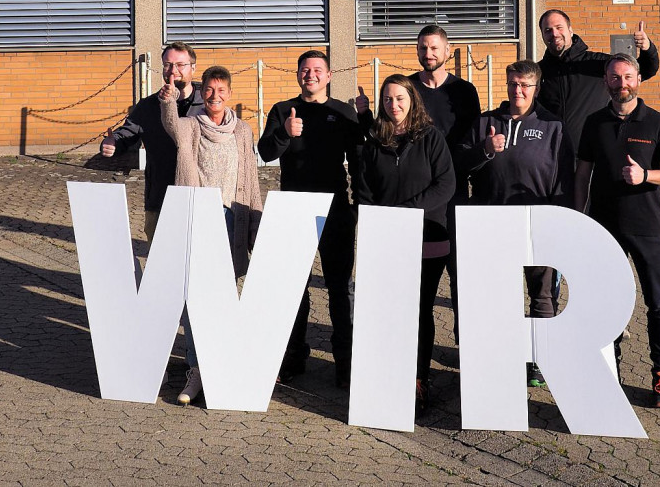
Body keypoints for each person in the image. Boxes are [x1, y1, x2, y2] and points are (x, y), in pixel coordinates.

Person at [356, 25, 481, 345]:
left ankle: (465, 347)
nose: (429, 54)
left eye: (435, 48)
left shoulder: (464, 91)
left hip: (450, 194)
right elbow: (384, 139)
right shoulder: (406, 87)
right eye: (423, 48)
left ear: (447, 50)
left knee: (460, 277)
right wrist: (365, 116)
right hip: (406, 200)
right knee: (410, 289)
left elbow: (472, 141)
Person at [575, 53, 660, 409]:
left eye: (627, 77)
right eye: (614, 77)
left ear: (638, 79)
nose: (621, 83)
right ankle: (610, 371)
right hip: (604, 228)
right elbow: (582, 174)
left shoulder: (658, 122)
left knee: (658, 303)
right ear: (605, 82)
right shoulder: (594, 123)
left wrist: (647, 176)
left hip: (647, 227)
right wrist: (579, 216)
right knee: (607, 303)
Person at [457, 59, 573, 387]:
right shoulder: (485, 123)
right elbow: (458, 164)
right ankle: (504, 354)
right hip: (492, 224)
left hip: (538, 222)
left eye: (524, 85)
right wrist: (485, 149)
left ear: (536, 89)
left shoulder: (554, 126)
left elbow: (564, 178)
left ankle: (539, 361)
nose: (517, 91)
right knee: (498, 296)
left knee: (542, 295)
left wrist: (559, 220)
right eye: (512, 84)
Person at [257, 50, 363, 388]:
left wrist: (358, 205)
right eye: (305, 70)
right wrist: (285, 133)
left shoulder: (343, 113)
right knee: (295, 291)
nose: (311, 75)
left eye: (317, 70)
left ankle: (345, 363)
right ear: (298, 74)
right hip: (293, 211)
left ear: (329, 75)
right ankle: (293, 358)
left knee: (339, 289)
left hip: (335, 211)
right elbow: (265, 152)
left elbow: (360, 161)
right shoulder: (283, 110)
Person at [158, 65, 263, 405]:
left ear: (229, 93)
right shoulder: (191, 126)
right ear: (202, 93)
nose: (214, 95)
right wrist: (168, 99)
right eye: (209, 90)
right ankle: (196, 369)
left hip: (234, 218)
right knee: (195, 292)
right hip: (201, 216)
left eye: (221, 90)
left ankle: (223, 364)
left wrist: (255, 225)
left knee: (226, 292)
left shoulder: (243, 131)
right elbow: (170, 124)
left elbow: (250, 179)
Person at [358, 74, 455, 415]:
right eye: (387, 99)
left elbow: (446, 184)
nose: (393, 105)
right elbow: (364, 188)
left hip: (428, 237)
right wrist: (376, 219)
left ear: (412, 100)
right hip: (387, 240)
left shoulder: (430, 137)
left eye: (400, 98)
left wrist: (405, 212)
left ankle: (418, 379)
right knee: (390, 310)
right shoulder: (374, 140)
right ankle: (388, 375)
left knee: (419, 310)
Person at [101, 41, 204, 242]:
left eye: (180, 65)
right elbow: (127, 133)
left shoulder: (207, 104)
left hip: (200, 195)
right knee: (161, 258)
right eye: (167, 65)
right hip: (160, 195)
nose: (173, 71)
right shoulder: (149, 106)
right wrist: (113, 143)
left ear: (193, 67)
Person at [538, 10, 659, 152]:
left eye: (559, 27)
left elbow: (645, 70)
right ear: (542, 36)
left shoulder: (597, 63)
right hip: (551, 154)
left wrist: (647, 49)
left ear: (570, 30)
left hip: (593, 154)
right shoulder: (538, 71)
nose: (554, 34)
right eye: (548, 30)